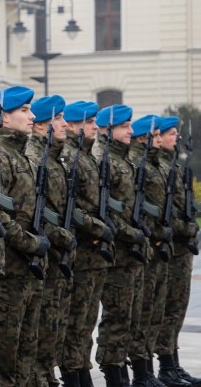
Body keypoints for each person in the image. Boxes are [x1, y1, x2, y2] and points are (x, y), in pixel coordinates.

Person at [0, 86, 50, 387]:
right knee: (4, 359)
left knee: (27, 351)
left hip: (29, 271)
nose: (32, 116)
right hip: (8, 273)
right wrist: (31, 243)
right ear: (3, 118)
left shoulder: (24, 158)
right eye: (24, 110)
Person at [59, 101, 116, 387]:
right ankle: (74, 375)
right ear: (71, 124)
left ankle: (82, 372)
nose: (96, 127)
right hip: (80, 255)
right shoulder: (70, 157)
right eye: (89, 121)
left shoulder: (87, 156)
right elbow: (72, 210)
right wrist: (99, 227)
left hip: (94, 257)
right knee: (75, 323)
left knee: (85, 323)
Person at [93, 104, 148, 387]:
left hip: (129, 253)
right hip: (115, 252)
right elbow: (107, 210)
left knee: (129, 316)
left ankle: (130, 372)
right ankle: (115, 375)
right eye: (125, 126)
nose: (131, 130)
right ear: (108, 129)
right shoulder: (105, 160)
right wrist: (130, 233)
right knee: (116, 318)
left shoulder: (123, 160)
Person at [25, 95, 77, 387]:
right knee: (39, 332)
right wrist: (60, 236)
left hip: (56, 259)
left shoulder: (56, 160)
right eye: (59, 119)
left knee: (52, 332)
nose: (65, 124)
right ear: (44, 125)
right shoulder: (35, 159)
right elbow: (35, 212)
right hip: (40, 257)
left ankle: (47, 378)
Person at [154, 116, 201, 386]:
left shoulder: (175, 167)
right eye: (171, 134)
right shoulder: (157, 169)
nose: (177, 138)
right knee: (163, 310)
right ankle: (164, 368)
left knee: (176, 310)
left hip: (181, 247)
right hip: (168, 247)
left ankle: (172, 365)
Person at [126, 115, 171, 386]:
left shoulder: (154, 165)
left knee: (161, 312)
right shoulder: (134, 164)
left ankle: (161, 368)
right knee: (132, 317)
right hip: (130, 249)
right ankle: (139, 374)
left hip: (152, 245)